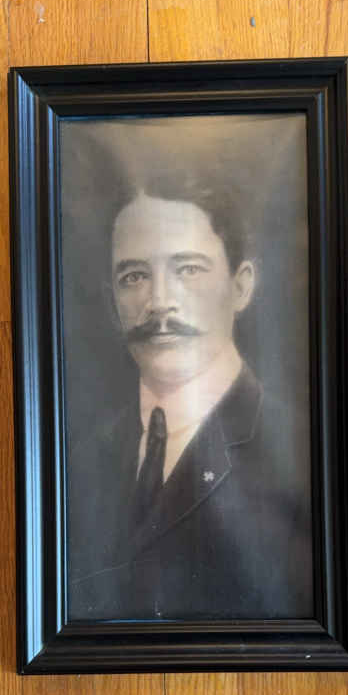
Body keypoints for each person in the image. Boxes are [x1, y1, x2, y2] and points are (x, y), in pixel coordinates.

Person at [67, 169, 312, 620]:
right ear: (112, 301)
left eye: (188, 269)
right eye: (134, 276)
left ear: (241, 286)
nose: (159, 301)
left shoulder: (300, 449)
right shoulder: (79, 461)